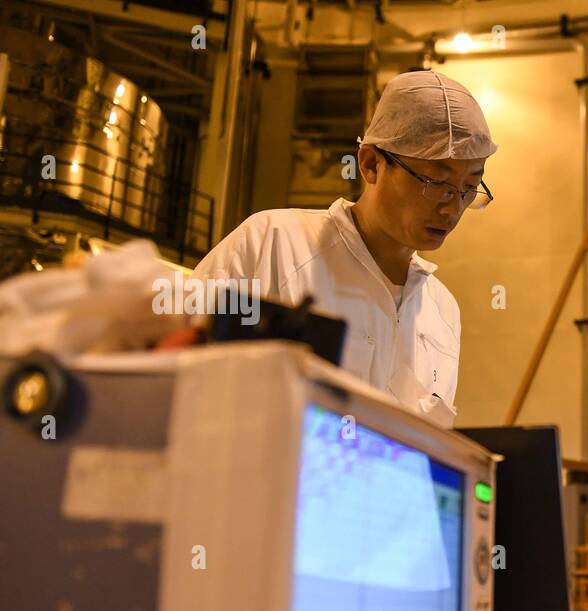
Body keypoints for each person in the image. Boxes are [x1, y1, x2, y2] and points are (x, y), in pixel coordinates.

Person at [192, 70, 496, 427]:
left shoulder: (442, 311)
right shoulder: (272, 243)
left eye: (469, 187)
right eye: (436, 183)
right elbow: (174, 367)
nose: (452, 207)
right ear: (370, 163)